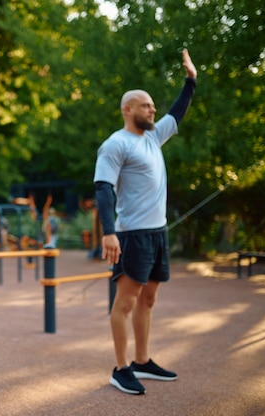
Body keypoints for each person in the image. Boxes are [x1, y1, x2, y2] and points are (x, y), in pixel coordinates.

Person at [93, 49, 197, 395]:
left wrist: (190, 80)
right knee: (126, 301)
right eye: (146, 106)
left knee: (149, 298)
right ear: (128, 109)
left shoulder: (153, 136)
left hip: (157, 232)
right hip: (131, 234)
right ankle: (120, 368)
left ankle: (141, 360)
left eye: (153, 106)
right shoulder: (115, 143)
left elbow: (178, 112)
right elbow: (104, 190)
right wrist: (109, 233)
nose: (153, 110)